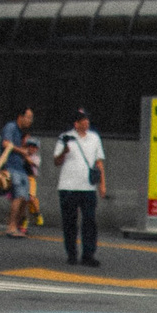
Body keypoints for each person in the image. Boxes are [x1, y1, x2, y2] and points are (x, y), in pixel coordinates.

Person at [53, 107, 109, 266]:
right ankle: (71, 253)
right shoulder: (65, 137)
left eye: (87, 119)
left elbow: (99, 162)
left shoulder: (94, 138)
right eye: (83, 120)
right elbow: (56, 161)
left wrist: (102, 185)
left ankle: (88, 254)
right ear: (76, 123)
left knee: (90, 221)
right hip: (68, 186)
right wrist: (64, 150)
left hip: (88, 187)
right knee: (69, 221)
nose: (87, 122)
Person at [0, 106, 38, 237]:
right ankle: (11, 227)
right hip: (11, 166)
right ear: (20, 117)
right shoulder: (11, 127)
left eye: (31, 118)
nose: (30, 121)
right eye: (28, 117)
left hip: (20, 168)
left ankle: (16, 225)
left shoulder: (22, 132)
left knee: (25, 198)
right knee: (18, 196)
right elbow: (5, 144)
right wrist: (22, 151)